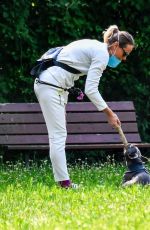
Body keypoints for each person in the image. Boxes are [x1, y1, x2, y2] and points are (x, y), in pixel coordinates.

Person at [34, 25, 135, 188]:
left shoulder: (96, 47)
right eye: (125, 54)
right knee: (58, 136)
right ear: (116, 46)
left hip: (53, 85)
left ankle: (63, 183)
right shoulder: (102, 54)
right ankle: (65, 184)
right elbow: (91, 90)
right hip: (51, 86)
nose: (124, 59)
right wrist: (109, 113)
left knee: (58, 135)